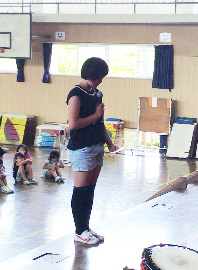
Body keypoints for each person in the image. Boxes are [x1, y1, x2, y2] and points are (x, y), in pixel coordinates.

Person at [67, 57, 118, 245]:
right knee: (81, 190)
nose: (102, 80)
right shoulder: (76, 94)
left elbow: (100, 122)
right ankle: (79, 230)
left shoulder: (96, 93)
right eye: (100, 76)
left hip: (97, 145)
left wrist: (109, 143)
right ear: (92, 75)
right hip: (82, 147)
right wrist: (95, 114)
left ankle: (86, 227)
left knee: (90, 190)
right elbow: (73, 124)